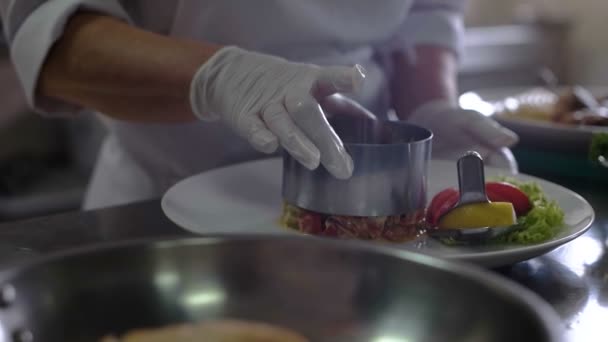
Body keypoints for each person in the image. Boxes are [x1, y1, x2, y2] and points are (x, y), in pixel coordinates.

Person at [0, 0, 518, 210]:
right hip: (162, 207)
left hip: (364, 205)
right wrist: (221, 78)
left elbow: (425, 12)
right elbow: (52, 38)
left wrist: (428, 106)